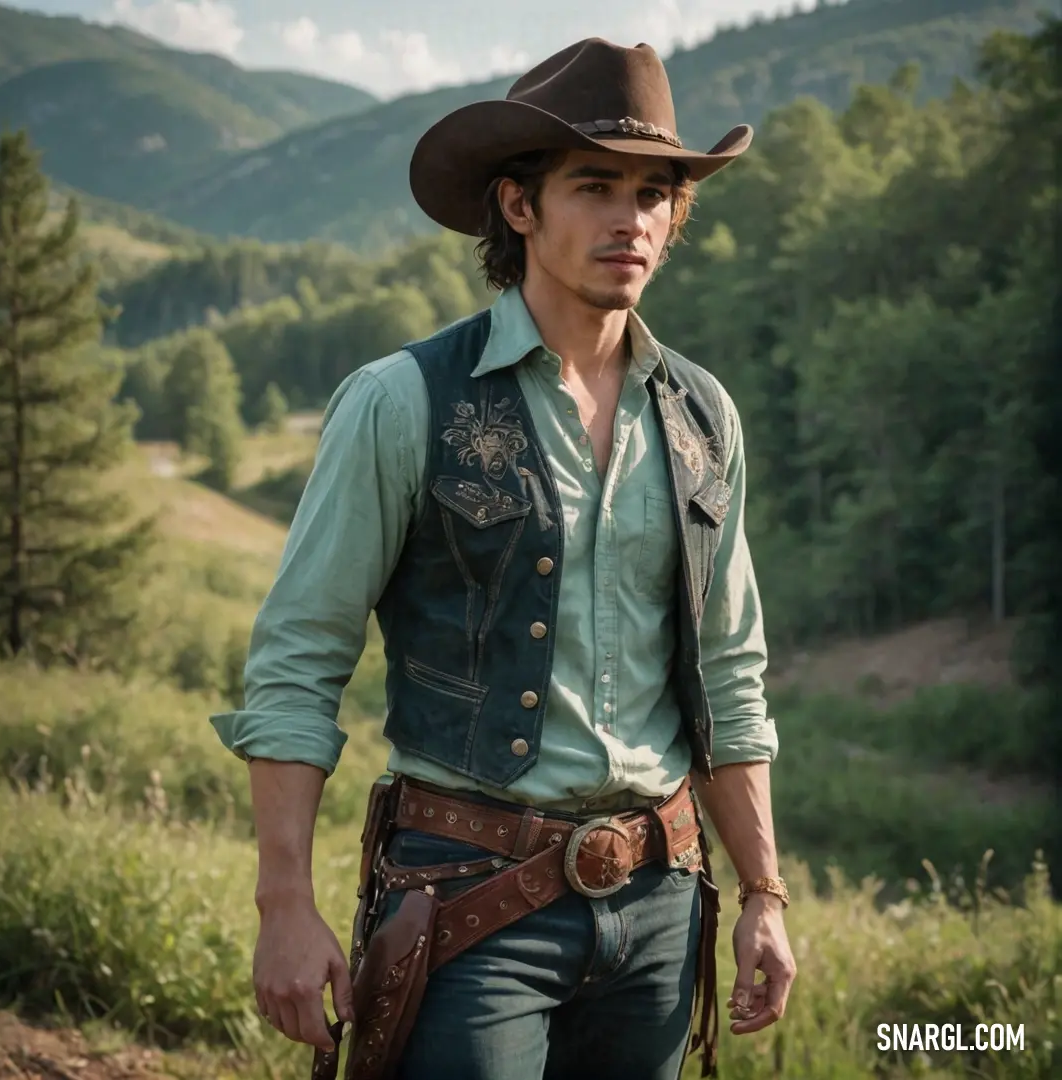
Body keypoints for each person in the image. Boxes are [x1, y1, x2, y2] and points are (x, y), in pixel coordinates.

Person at [210, 36, 796, 1080]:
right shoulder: (403, 400)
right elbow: (299, 661)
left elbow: (728, 672)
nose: (634, 218)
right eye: (596, 186)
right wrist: (284, 908)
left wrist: (764, 893)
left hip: (662, 903)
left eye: (656, 192)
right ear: (518, 207)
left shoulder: (703, 415)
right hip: (467, 899)